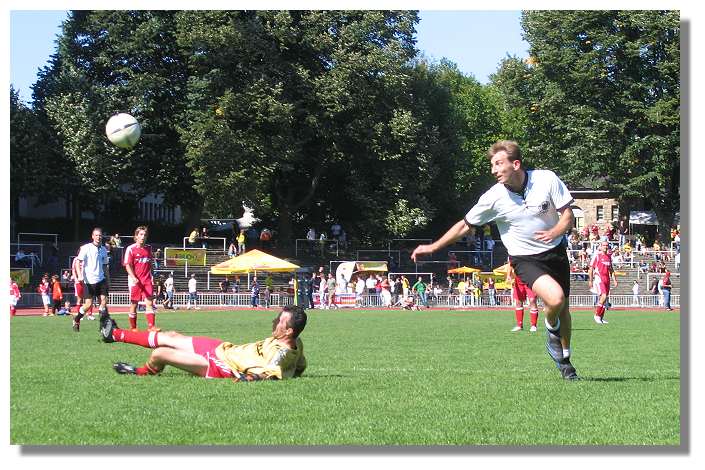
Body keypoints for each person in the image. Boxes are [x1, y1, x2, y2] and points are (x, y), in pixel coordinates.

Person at [410, 140, 579, 380]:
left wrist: (555, 232)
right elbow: (464, 226)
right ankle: (551, 331)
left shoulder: (547, 179)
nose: (494, 170)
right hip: (525, 259)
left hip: (555, 252)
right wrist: (433, 246)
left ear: (516, 164)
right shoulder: (493, 198)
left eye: (499, 164)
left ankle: (566, 362)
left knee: (564, 310)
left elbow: (568, 216)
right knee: (556, 299)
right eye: (492, 165)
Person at [101, 305, 307, 381]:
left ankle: (141, 372)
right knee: (171, 335)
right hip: (222, 349)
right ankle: (115, 334)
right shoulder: (296, 342)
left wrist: (252, 377)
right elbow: (300, 366)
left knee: (160, 353)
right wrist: (295, 373)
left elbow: (271, 371)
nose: (276, 321)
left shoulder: (282, 353)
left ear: (288, 331)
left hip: (220, 367)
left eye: (281, 321)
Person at [74, 227, 111, 332]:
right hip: (89, 281)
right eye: (96, 235)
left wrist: (108, 279)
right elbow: (78, 262)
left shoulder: (104, 249)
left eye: (100, 235)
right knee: (88, 305)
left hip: (101, 279)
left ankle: (103, 325)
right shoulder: (86, 248)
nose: (98, 237)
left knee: (103, 301)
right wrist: (80, 275)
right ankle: (76, 319)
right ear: (92, 236)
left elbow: (105, 266)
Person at [124, 226, 159, 332]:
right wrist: (133, 277)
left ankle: (151, 326)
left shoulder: (149, 248)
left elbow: (150, 263)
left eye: (144, 235)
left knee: (149, 302)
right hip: (135, 280)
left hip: (147, 280)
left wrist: (153, 275)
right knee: (134, 303)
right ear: (136, 236)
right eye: (141, 234)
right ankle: (133, 327)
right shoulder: (131, 249)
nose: (143, 237)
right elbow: (127, 265)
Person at [588, 240, 617, 325]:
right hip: (599, 278)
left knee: (605, 299)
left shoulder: (608, 256)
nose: (605, 247)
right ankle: (597, 315)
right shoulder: (597, 256)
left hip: (607, 279)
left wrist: (614, 280)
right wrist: (590, 280)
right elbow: (591, 269)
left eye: (607, 245)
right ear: (600, 246)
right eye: (604, 245)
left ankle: (601, 317)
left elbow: (611, 269)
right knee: (603, 296)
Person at [507, 260, 539, 332]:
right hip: (518, 280)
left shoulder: (530, 252)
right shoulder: (515, 253)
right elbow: (510, 264)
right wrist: (508, 275)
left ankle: (533, 325)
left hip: (530, 279)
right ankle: (519, 325)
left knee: (532, 300)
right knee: (518, 302)